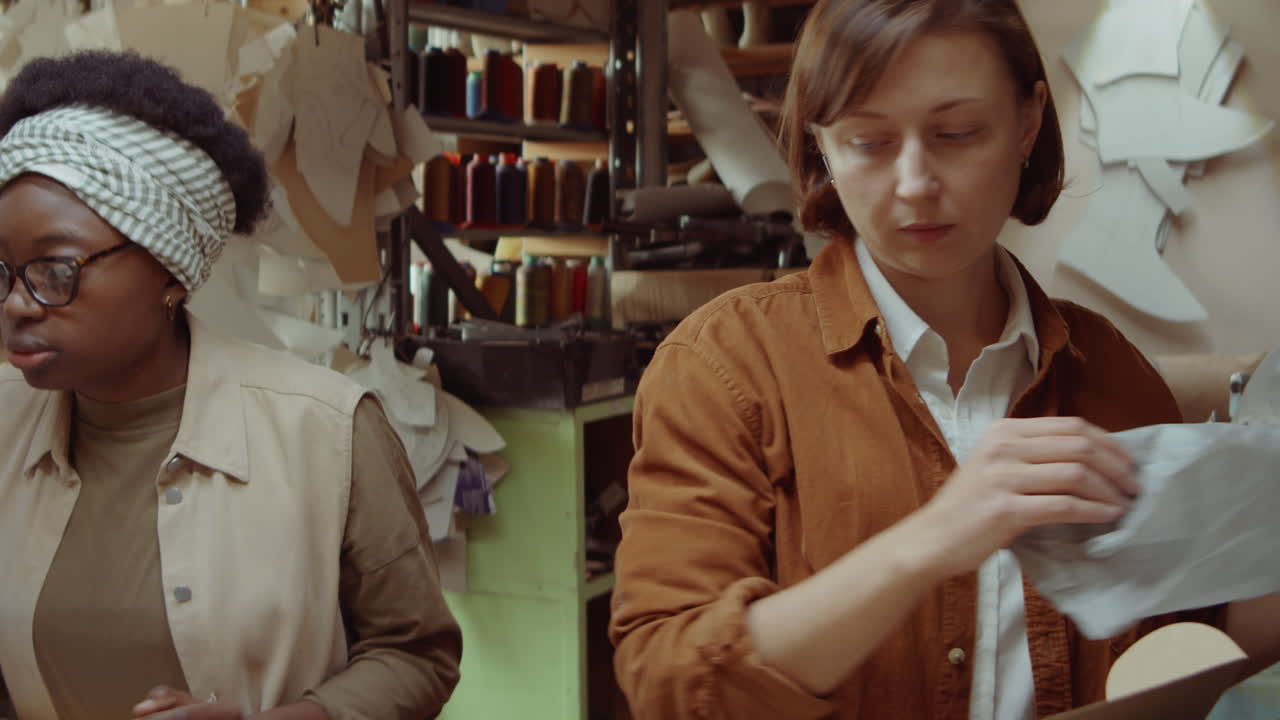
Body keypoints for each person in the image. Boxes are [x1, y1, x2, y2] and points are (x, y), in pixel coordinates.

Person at [608, 1, 1280, 718]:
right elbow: (671, 680)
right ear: (821, 145)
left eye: (958, 133)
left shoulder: (1110, 371)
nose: (915, 182)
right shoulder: (726, 367)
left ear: (1027, 124)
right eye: (868, 142)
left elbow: (1187, 629)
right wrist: (929, 541)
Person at [0, 52, 461, 720]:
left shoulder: (328, 432)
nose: (17, 303)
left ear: (170, 271)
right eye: (3, 270)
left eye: (56, 270)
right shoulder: (5, 429)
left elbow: (418, 654)